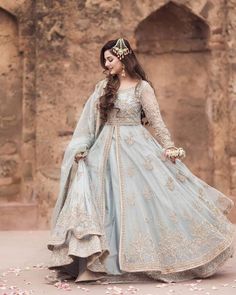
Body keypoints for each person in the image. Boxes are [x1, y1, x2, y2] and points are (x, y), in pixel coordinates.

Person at [47, 38, 235, 284]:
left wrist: (168, 147)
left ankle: (144, 260)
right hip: (102, 151)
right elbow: (90, 123)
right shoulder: (103, 86)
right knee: (98, 201)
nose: (106, 64)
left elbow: (156, 120)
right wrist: (82, 148)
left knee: (149, 201)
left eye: (110, 59)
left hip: (137, 149)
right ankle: (91, 264)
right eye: (104, 60)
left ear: (123, 58)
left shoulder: (141, 88)